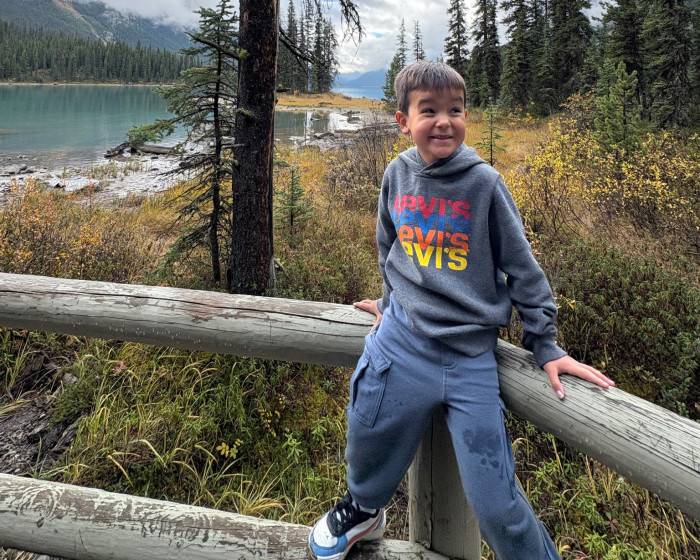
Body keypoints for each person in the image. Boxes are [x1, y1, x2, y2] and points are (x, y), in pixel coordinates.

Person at [308, 60, 615, 560]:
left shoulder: (485, 184)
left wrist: (545, 345)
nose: (443, 121)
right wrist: (387, 303)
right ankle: (364, 510)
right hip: (401, 342)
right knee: (367, 431)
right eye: (428, 110)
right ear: (403, 121)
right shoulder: (397, 174)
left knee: (496, 504)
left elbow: (523, 269)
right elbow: (390, 246)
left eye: (454, 110)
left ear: (466, 116)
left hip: (470, 359)